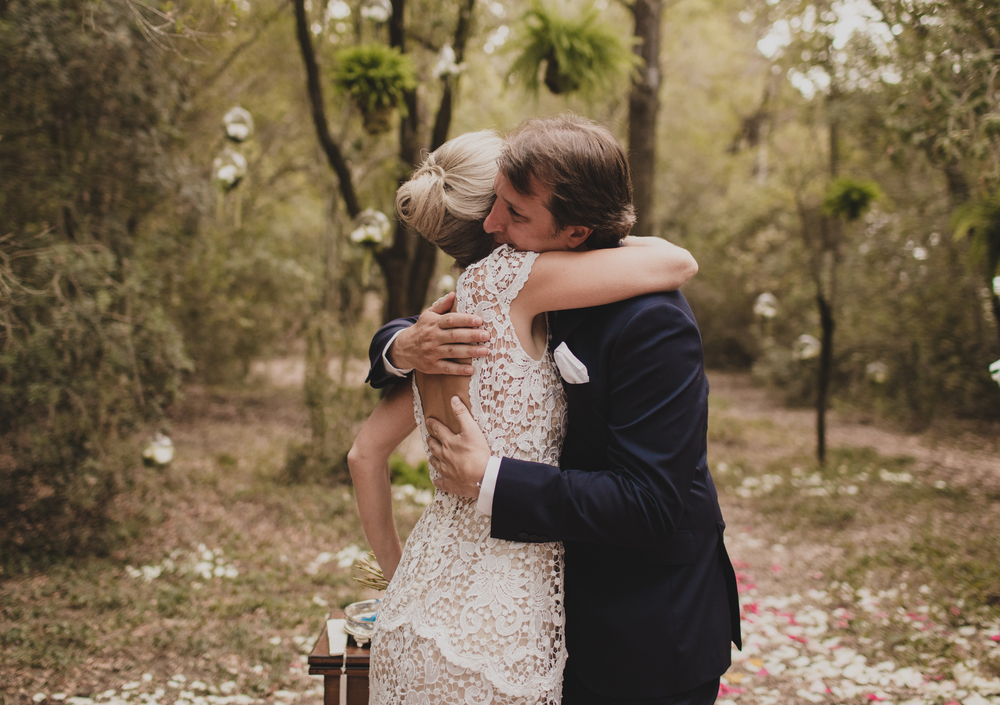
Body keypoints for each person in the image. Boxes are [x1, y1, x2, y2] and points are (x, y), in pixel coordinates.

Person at [366, 115, 742, 705]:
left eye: (515, 213)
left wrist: (489, 477)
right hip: (542, 619)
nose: (493, 225)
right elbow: (441, 319)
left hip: (644, 628)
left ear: (575, 232)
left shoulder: (652, 321)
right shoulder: (520, 282)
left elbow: (649, 504)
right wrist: (399, 345)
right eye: (495, 203)